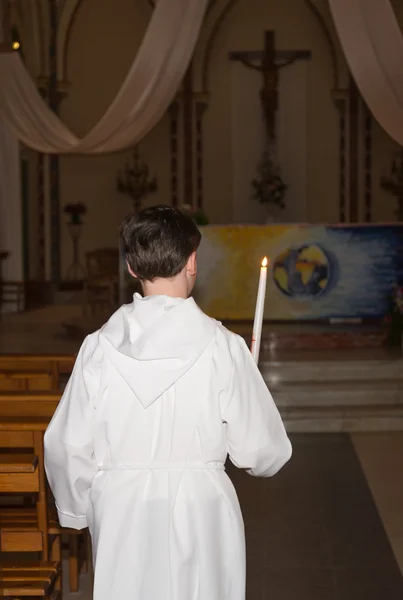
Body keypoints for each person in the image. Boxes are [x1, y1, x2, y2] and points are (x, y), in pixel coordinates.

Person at [44, 205, 292, 600]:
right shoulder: (223, 348)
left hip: (122, 507)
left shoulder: (98, 348)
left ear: (130, 267)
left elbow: (66, 444)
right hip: (202, 507)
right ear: (192, 262)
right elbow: (262, 451)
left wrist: (77, 510)